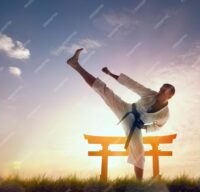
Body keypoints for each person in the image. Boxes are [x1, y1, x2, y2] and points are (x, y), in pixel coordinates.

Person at [66, 48, 175, 181]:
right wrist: (110, 74)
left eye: (164, 92)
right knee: (103, 90)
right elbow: (133, 85)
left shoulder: (164, 114)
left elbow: (158, 127)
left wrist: (145, 128)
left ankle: (138, 185)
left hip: (136, 127)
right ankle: (75, 65)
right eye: (161, 89)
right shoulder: (150, 94)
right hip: (126, 109)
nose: (160, 92)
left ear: (169, 97)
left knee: (140, 155)